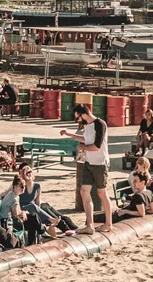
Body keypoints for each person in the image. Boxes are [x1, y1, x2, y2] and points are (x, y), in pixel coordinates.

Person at [62, 103, 112, 235]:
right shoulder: (89, 126)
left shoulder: (100, 124)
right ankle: (90, 225)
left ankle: (108, 223)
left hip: (100, 163)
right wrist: (70, 134)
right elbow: (86, 139)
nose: (78, 121)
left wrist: (82, 147)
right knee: (84, 191)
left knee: (102, 192)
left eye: (77, 118)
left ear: (83, 115)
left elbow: (96, 146)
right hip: (88, 162)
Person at [14, 165, 74, 240]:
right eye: (27, 173)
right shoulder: (22, 186)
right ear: (23, 175)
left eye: (30, 172)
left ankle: (63, 228)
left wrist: (40, 215)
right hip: (22, 208)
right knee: (33, 206)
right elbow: (13, 194)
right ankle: (51, 220)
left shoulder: (37, 186)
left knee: (37, 208)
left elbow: (38, 202)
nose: (29, 174)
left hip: (33, 209)